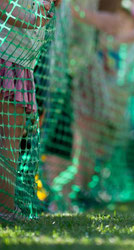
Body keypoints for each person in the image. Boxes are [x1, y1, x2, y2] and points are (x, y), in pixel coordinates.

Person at [0, 0, 61, 222]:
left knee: (12, 139)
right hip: (8, 59)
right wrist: (34, 18)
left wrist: (42, 12)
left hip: (20, 61)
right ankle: (5, 208)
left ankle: (7, 207)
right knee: (9, 140)